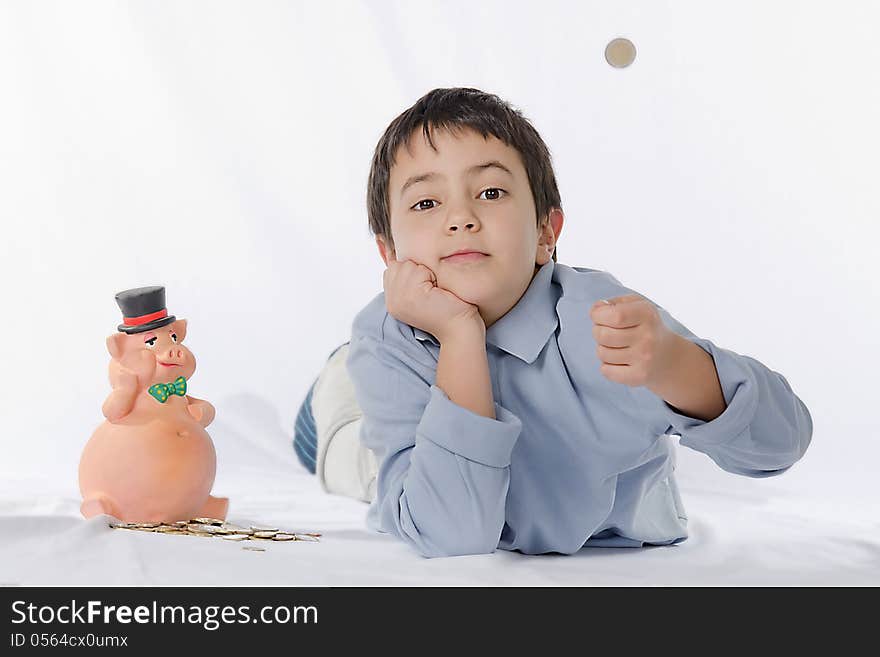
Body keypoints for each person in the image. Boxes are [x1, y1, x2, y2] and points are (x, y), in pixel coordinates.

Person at [293, 87, 813, 558]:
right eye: (426, 202)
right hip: (408, 451)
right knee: (344, 454)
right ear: (390, 254)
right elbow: (452, 535)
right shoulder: (391, 336)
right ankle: (338, 380)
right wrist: (457, 335)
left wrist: (677, 367)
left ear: (546, 231)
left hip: (577, 511)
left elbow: (782, 443)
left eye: (491, 193)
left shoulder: (602, 323)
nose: (460, 217)